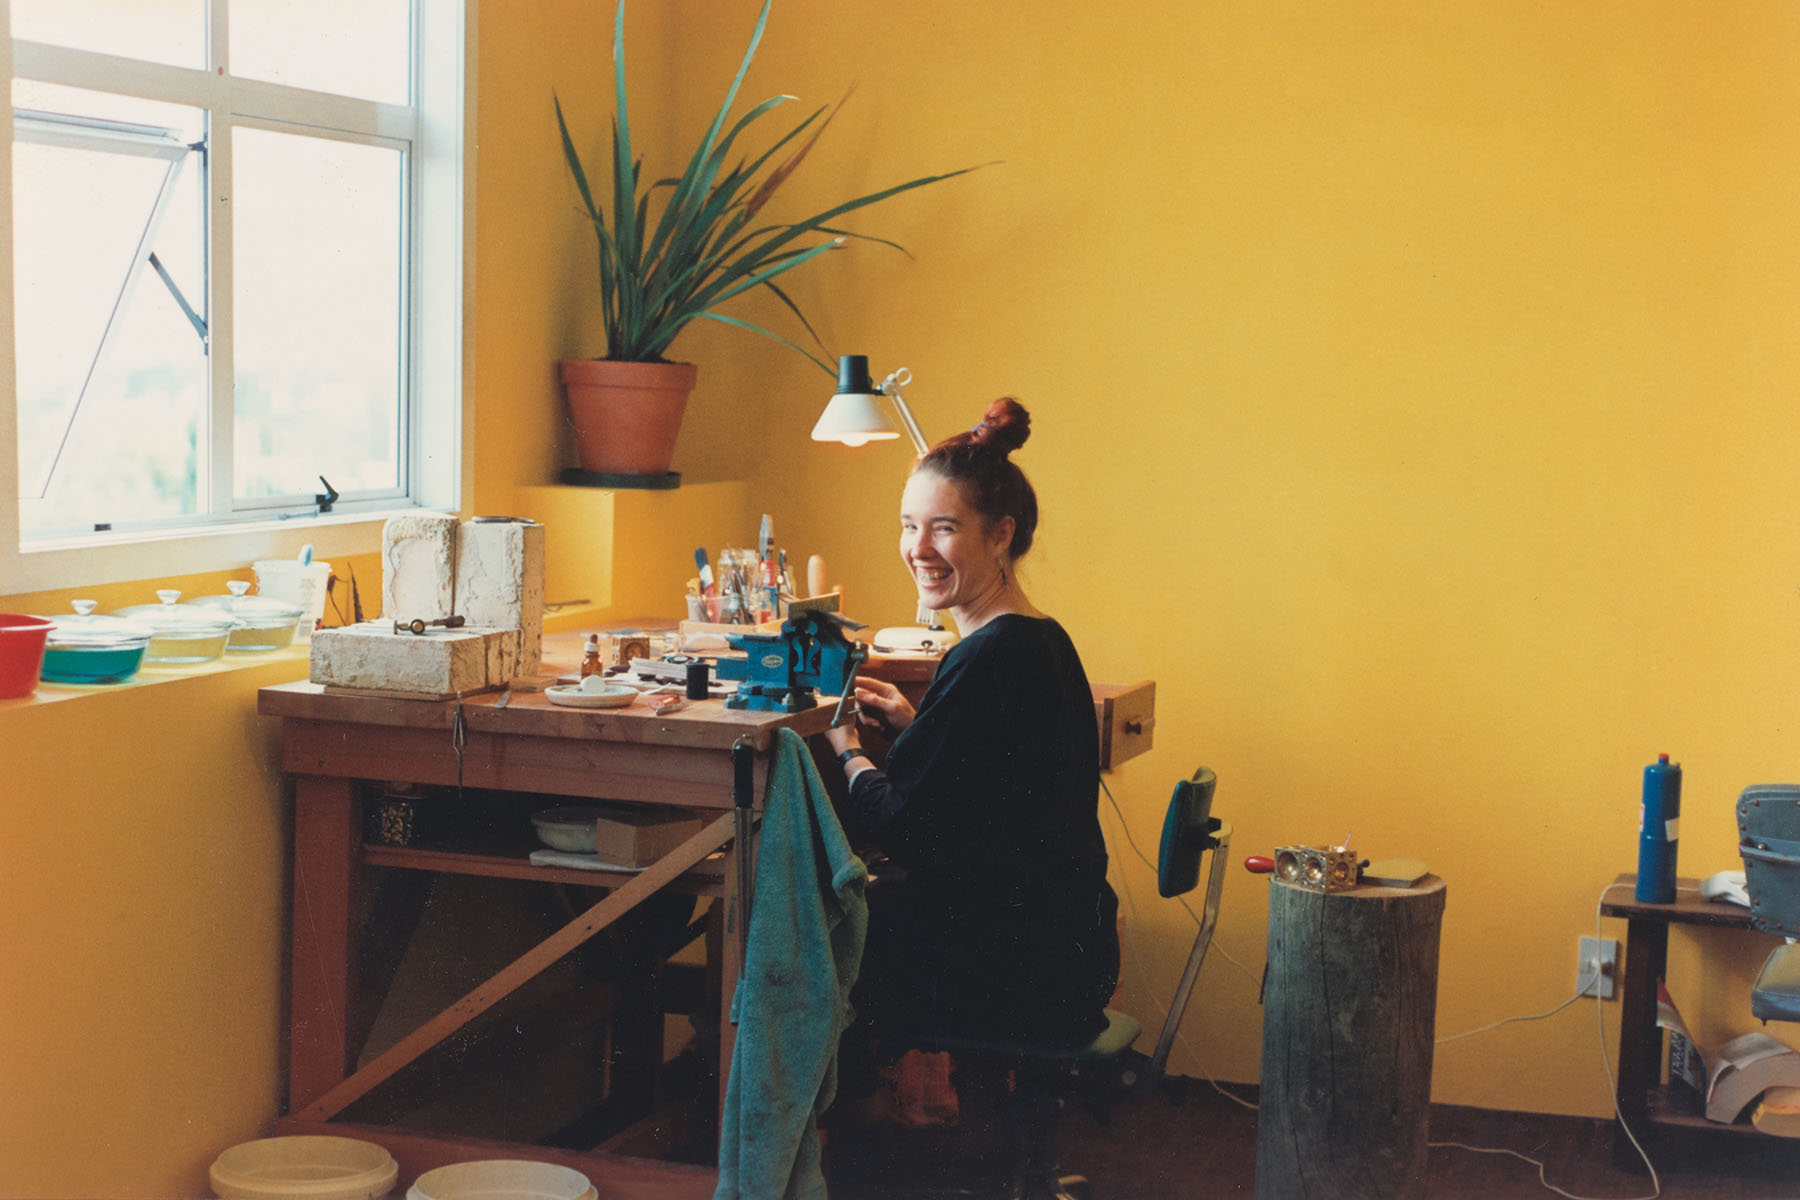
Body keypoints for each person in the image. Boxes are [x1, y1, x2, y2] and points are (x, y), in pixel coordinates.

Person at [825, 397, 1120, 1064]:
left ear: (1000, 535)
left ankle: (826, 1140)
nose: (918, 549)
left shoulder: (987, 657)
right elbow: (988, 781)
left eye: (945, 529)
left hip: (1014, 973)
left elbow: (902, 824)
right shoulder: (1040, 638)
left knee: (799, 928)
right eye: (908, 526)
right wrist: (912, 725)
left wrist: (847, 751)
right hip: (1067, 950)